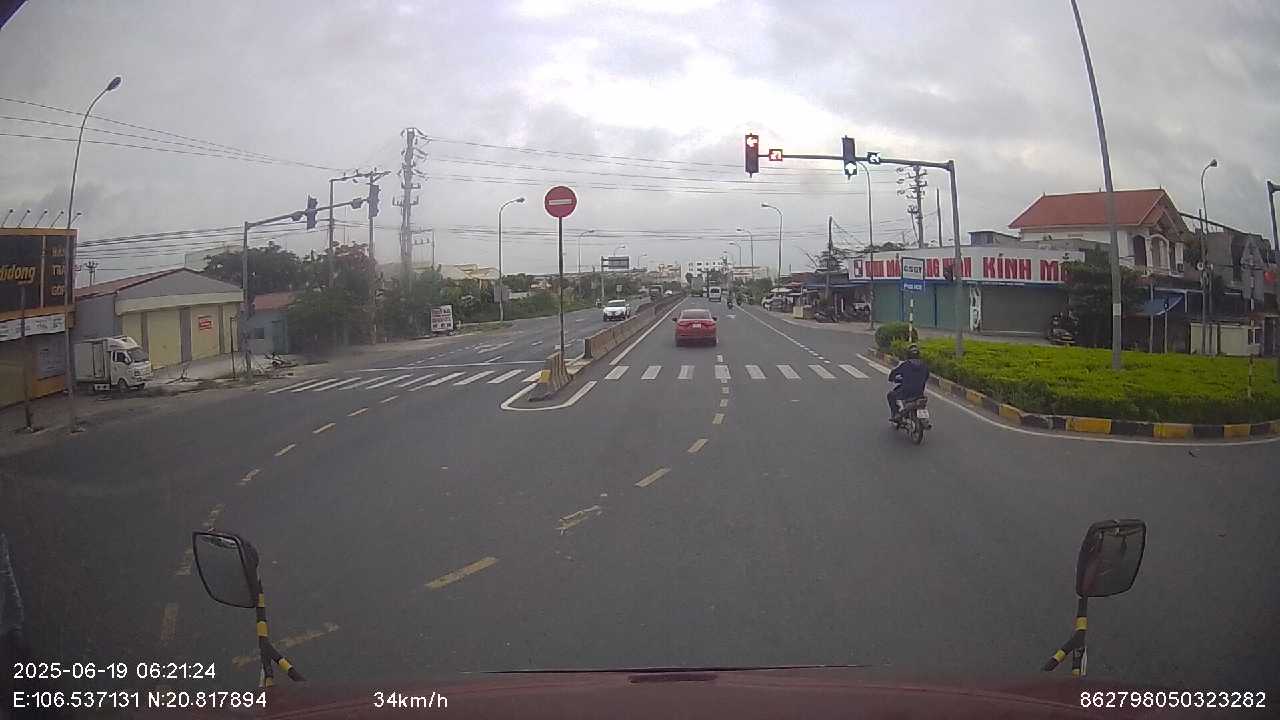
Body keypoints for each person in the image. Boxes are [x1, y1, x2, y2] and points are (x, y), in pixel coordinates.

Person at [887, 343, 929, 422]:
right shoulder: (925, 365)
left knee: (890, 395)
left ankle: (896, 414)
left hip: (906, 392)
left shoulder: (905, 365)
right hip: (919, 393)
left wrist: (892, 378)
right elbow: (926, 377)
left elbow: (893, 373)